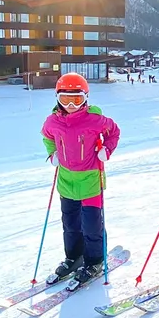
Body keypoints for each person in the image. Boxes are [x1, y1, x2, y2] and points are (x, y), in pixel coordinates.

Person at [41, 73, 121, 285]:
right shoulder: (52, 121)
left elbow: (114, 132)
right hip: (66, 182)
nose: (71, 105)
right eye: (64, 99)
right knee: (70, 225)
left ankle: (94, 260)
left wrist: (106, 149)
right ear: (57, 98)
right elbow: (47, 136)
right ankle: (74, 256)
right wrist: (53, 154)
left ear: (86, 97)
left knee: (92, 226)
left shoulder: (95, 120)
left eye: (76, 99)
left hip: (90, 181)